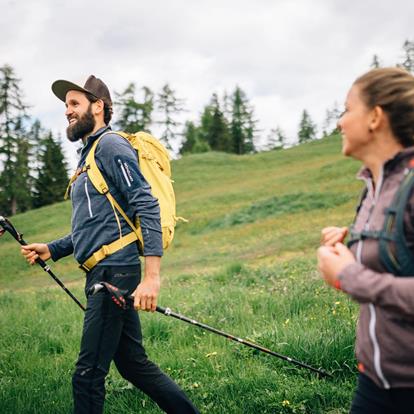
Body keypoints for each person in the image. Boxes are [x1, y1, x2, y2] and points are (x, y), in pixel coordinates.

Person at [21, 75, 199, 414]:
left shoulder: (111, 145)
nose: (67, 112)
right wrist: (54, 248)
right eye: (66, 106)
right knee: (133, 365)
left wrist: (152, 276)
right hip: (104, 269)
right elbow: (98, 225)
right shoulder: (88, 155)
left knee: (87, 376)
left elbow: (144, 203)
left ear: (98, 106)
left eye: (74, 104)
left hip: (115, 272)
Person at [317, 67, 414, 414]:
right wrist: (351, 249)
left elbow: (363, 281)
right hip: (373, 379)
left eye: (347, 109)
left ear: (375, 117)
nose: (340, 122)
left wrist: (348, 275)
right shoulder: (373, 188)